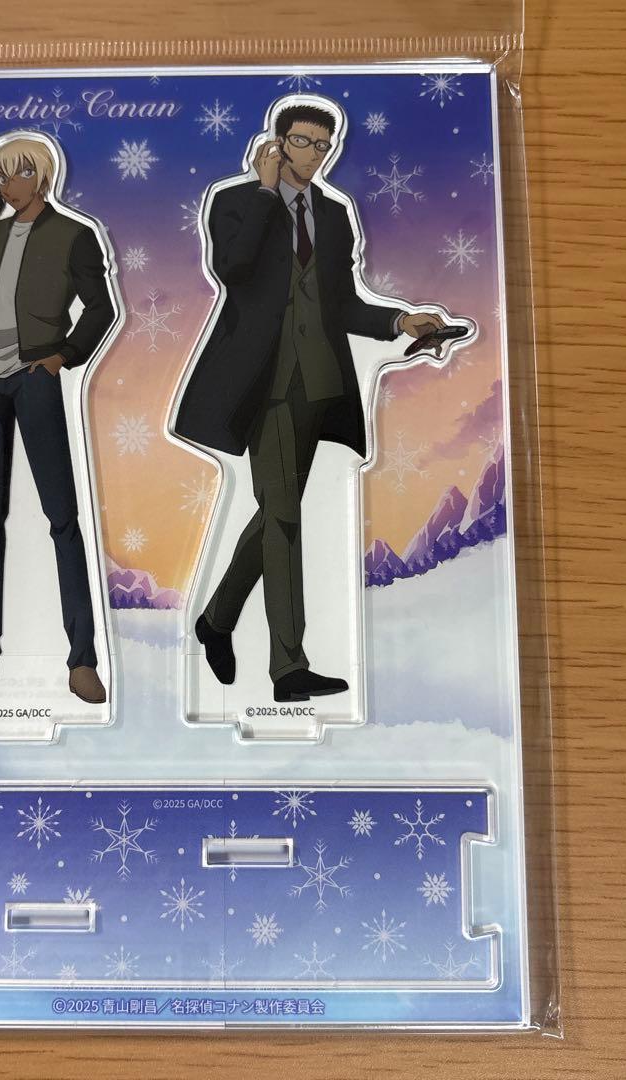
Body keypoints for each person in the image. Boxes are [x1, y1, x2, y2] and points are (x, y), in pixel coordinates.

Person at [174, 102, 451, 703]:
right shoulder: (235, 201)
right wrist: (265, 191)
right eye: (303, 142)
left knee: (278, 511)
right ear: (277, 143)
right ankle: (288, 668)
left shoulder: (333, 213)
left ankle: (217, 620)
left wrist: (401, 320)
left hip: (318, 381)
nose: (315, 154)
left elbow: (342, 303)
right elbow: (233, 268)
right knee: (282, 517)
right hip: (261, 381)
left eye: (324, 145)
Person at [0, 136, 115, 704]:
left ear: (43, 177)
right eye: (1, 176)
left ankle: (82, 660)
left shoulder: (73, 235)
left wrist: (64, 356)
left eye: (19, 175)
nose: (8, 186)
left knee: (62, 516)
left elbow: (102, 308)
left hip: (35, 375)